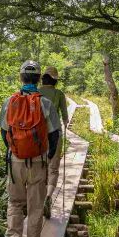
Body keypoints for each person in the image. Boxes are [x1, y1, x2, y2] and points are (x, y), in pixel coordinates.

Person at [0, 60, 61, 237]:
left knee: (15, 203)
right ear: (38, 79)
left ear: (21, 77)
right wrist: (49, 155)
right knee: (35, 208)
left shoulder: (9, 102)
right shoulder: (46, 104)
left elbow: (4, 132)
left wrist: (15, 150)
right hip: (38, 163)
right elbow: (54, 135)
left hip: (15, 162)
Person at [39, 66, 69, 219]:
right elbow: (65, 118)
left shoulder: (35, 93)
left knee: (41, 168)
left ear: (43, 78)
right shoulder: (59, 94)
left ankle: (39, 199)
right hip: (55, 135)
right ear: (55, 80)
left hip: (37, 137)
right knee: (54, 169)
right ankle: (48, 197)